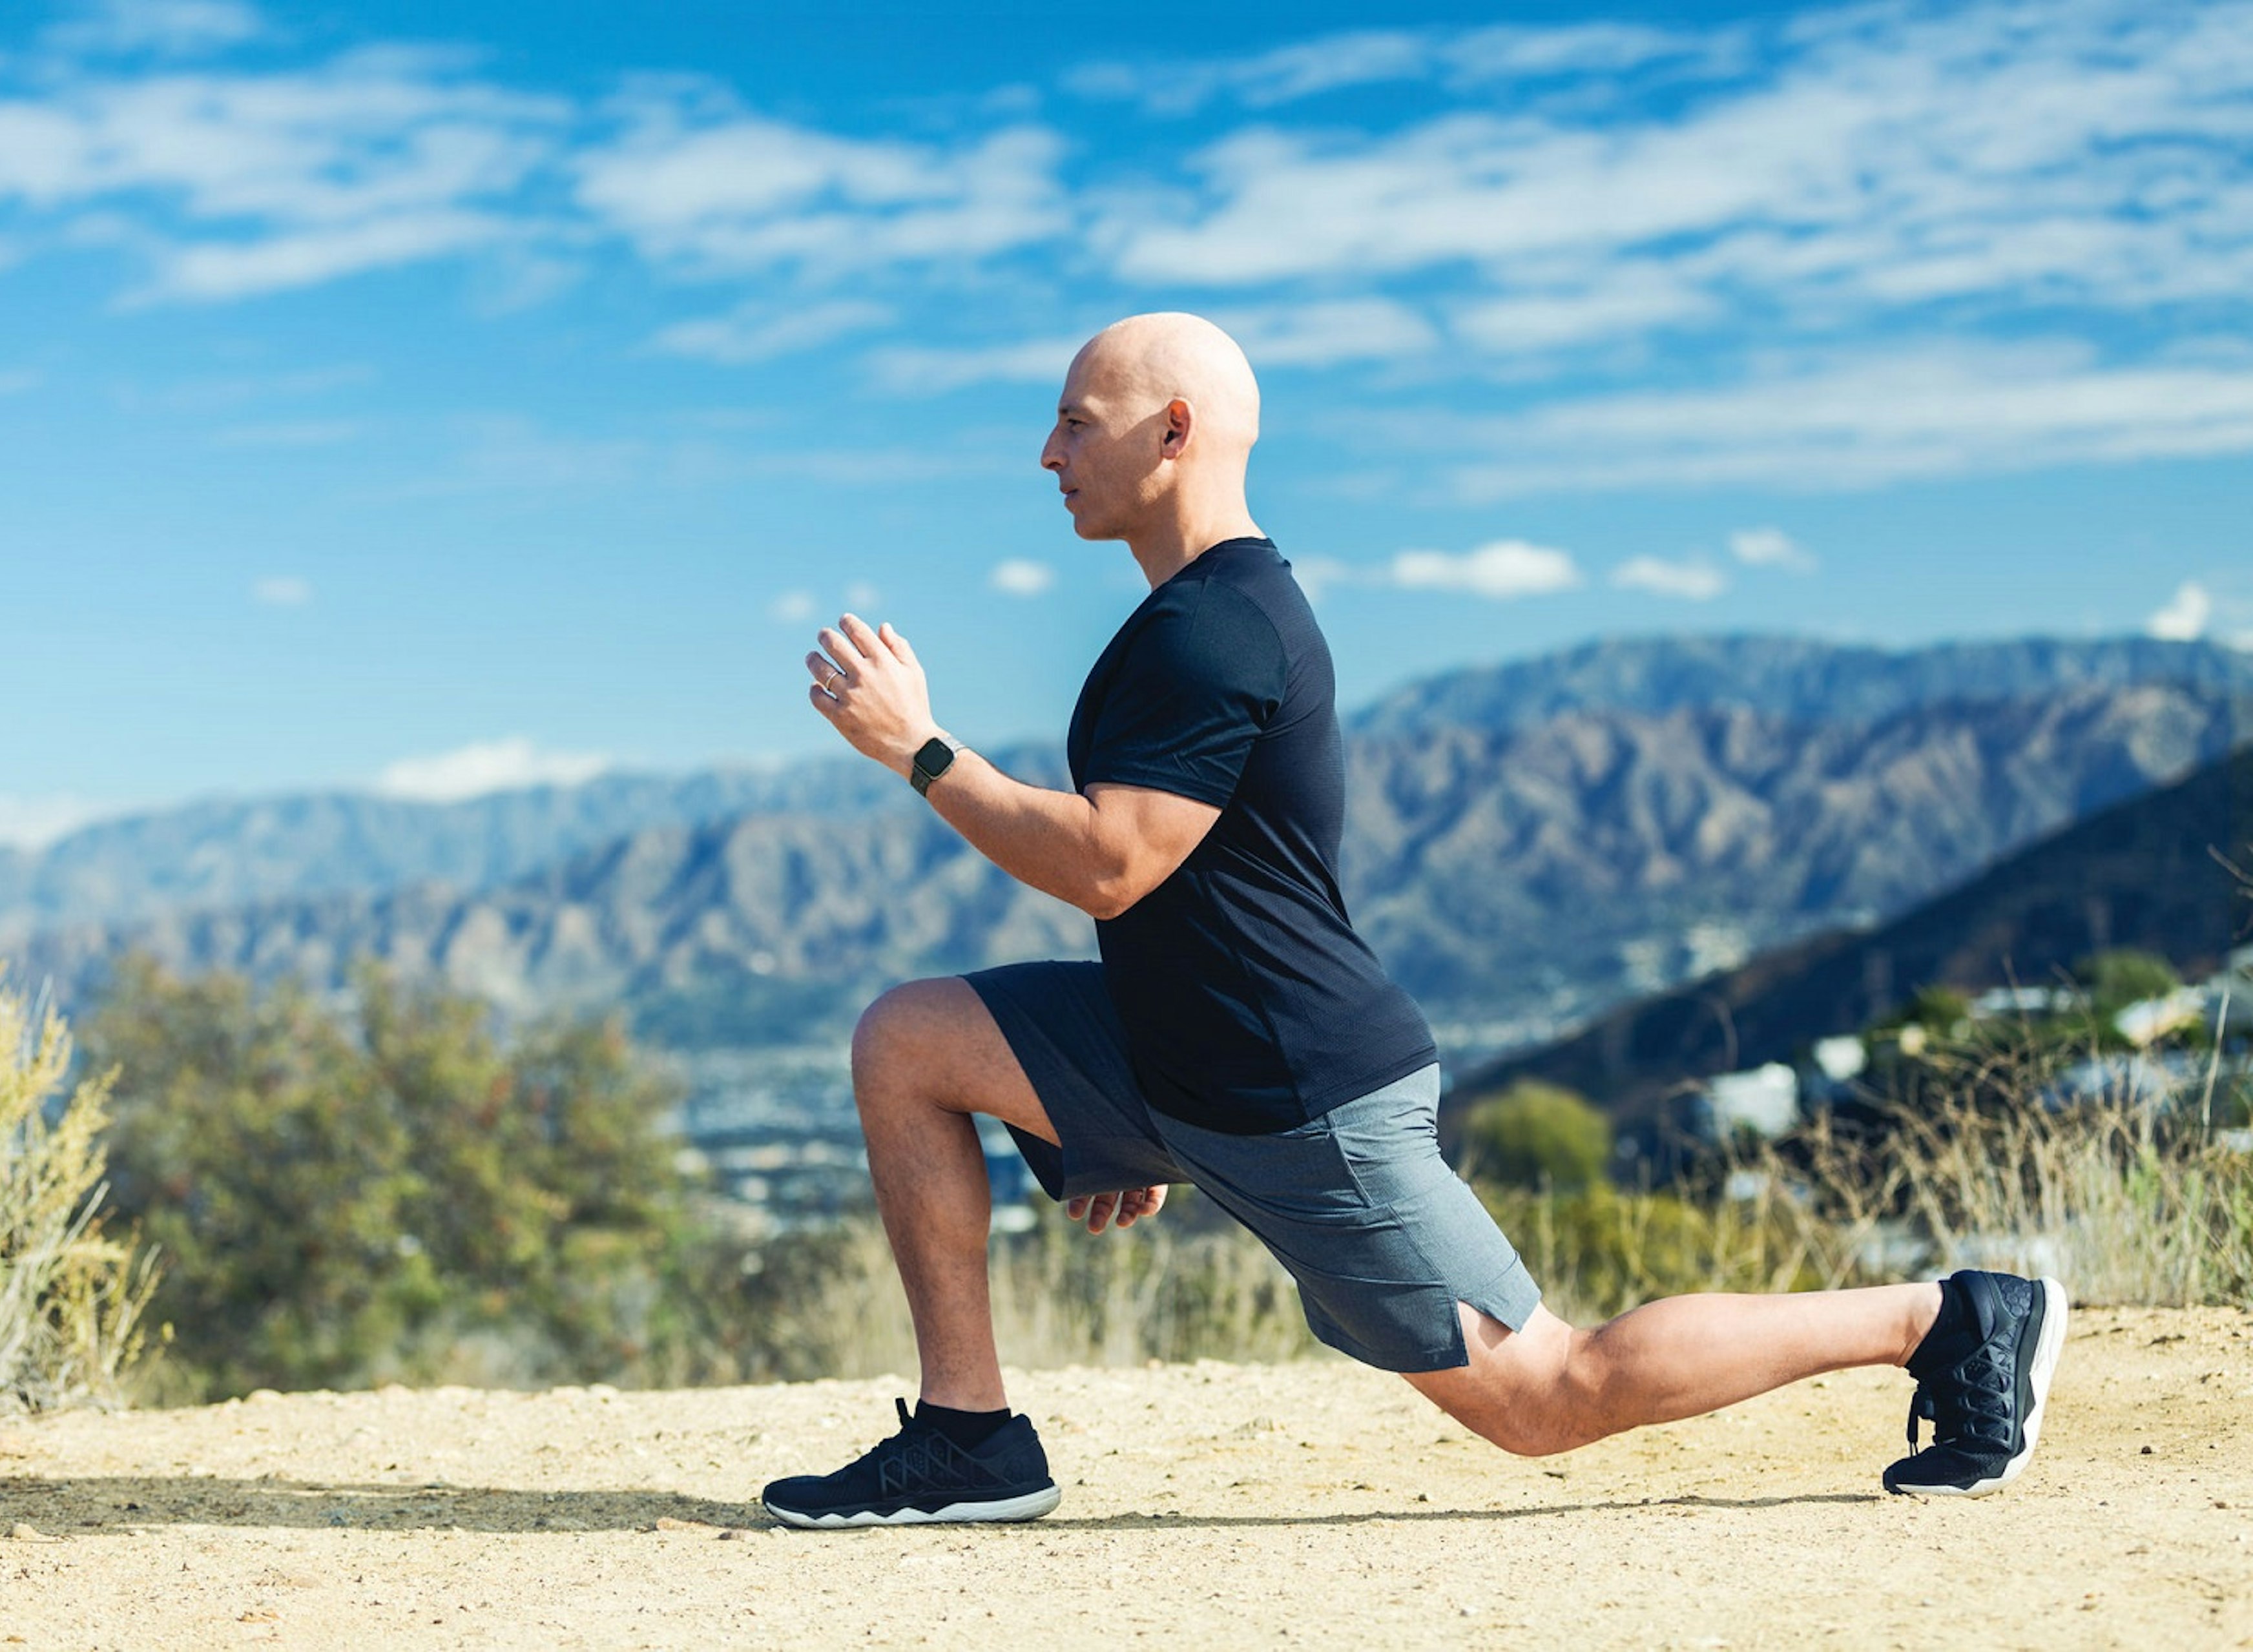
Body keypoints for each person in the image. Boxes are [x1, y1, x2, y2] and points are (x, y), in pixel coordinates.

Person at [762, 312, 2066, 1529]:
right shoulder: (1189, 617)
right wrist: (1109, 1113)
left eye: (1075, 421)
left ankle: (1947, 1317)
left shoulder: (1215, 629)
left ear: (1173, 431)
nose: (1048, 454)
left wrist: (923, 750)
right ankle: (971, 1434)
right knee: (911, 1040)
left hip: (1292, 1090)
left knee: (1551, 1390)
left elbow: (1112, 865)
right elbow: (1173, 895)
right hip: (1184, 1053)